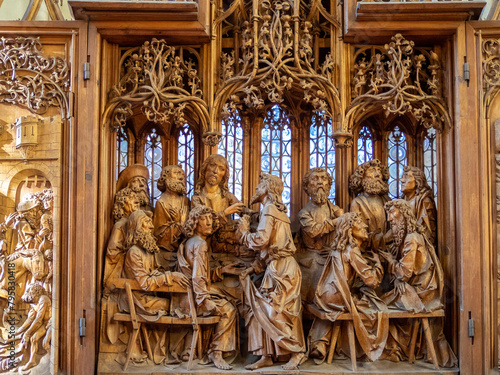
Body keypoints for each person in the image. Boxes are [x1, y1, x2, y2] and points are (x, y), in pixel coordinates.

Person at [237, 173, 306, 370]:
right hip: (277, 266)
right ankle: (266, 355)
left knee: (277, 313)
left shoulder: (269, 209)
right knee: (259, 311)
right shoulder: (275, 211)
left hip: (282, 269)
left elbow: (261, 241)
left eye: (260, 185)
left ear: (268, 188)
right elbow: (270, 249)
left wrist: (243, 233)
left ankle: (297, 351)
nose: (257, 188)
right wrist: (252, 268)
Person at [379, 199, 456, 367]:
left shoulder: (411, 239)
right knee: (381, 300)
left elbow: (405, 273)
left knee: (377, 306)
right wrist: (400, 279)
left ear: (405, 215)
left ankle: (393, 350)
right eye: (388, 214)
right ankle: (398, 350)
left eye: (393, 213)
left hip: (422, 293)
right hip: (420, 288)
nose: (389, 219)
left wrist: (391, 262)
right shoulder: (411, 236)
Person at [309, 212, 388, 362]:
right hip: (338, 297)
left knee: (365, 297)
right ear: (349, 229)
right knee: (377, 308)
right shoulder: (352, 250)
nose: (365, 226)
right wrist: (378, 265)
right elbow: (371, 280)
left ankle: (325, 344)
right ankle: (371, 350)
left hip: (326, 296)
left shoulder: (340, 247)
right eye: (359, 223)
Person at [177, 206, 240, 370]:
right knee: (229, 310)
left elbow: (198, 273)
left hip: (188, 296)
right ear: (195, 222)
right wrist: (204, 301)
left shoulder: (189, 242)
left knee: (227, 299)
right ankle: (216, 352)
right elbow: (197, 277)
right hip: (194, 300)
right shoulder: (200, 244)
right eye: (204, 219)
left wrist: (221, 271)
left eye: (210, 219)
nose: (209, 222)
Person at [298, 167, 343, 303]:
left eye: (323, 179)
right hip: (314, 256)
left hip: (334, 256)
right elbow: (313, 230)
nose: (319, 183)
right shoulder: (304, 213)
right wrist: (337, 221)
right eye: (315, 179)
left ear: (329, 185)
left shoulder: (336, 210)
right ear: (307, 186)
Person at [153, 165, 189, 253]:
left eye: (182, 175)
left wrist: (178, 221)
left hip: (184, 246)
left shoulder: (185, 201)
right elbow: (158, 233)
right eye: (176, 173)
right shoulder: (161, 202)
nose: (180, 177)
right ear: (166, 178)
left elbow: (190, 226)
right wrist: (177, 224)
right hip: (166, 247)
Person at [401, 166, 437, 246]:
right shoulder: (402, 201)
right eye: (402, 177)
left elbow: (428, 233)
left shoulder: (424, 201)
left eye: (407, 177)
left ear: (418, 181)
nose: (402, 180)